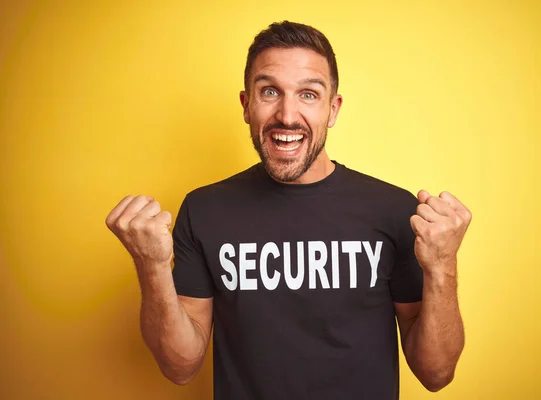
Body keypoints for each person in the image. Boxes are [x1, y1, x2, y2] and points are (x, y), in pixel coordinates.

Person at [105, 21, 471, 400]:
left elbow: (436, 373)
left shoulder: (395, 211)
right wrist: (152, 267)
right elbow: (180, 367)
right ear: (247, 105)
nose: (287, 115)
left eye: (309, 94)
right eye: (269, 92)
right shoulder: (204, 210)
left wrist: (443, 263)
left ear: (333, 108)